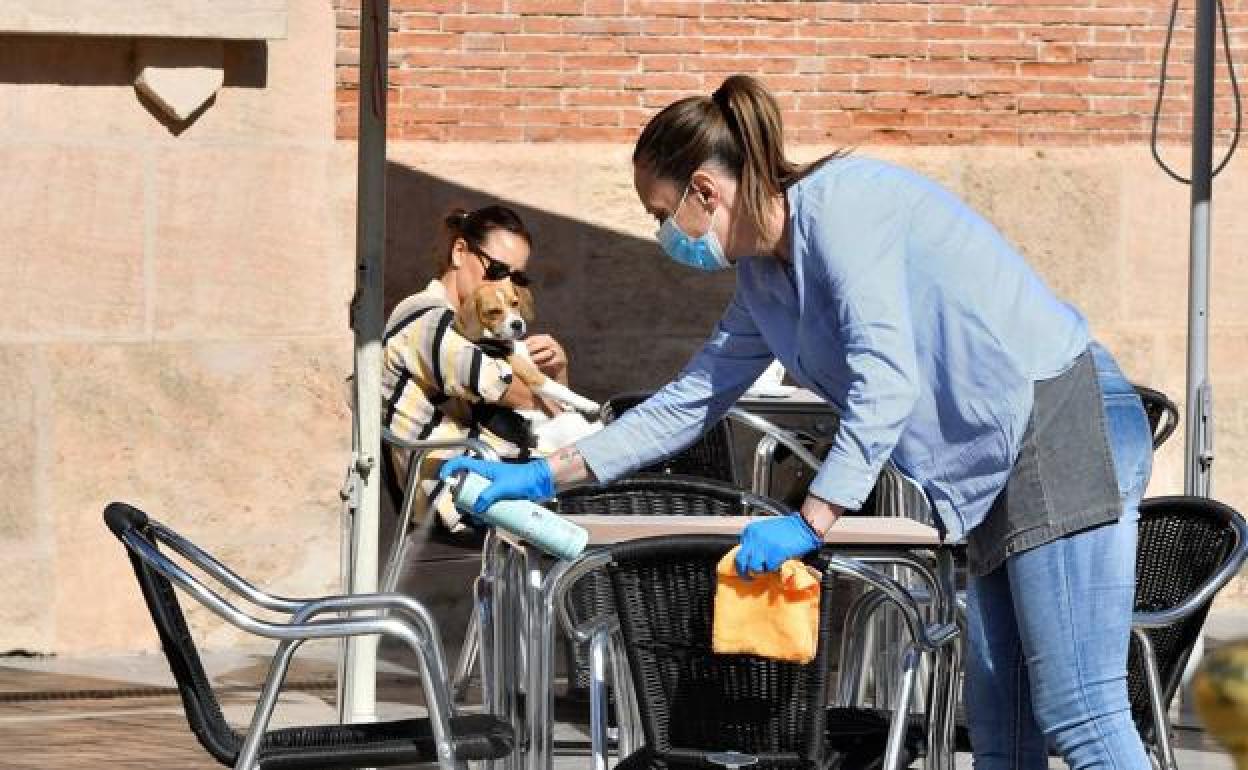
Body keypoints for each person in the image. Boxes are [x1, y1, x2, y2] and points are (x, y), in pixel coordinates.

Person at [442, 75, 1153, 768]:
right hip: (1002, 465)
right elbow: (688, 402)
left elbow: (887, 380)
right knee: (1004, 738)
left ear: (705, 192)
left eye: (660, 214)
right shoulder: (764, 281)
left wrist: (813, 519)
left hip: (1060, 420)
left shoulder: (843, 210)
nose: (663, 232)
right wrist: (538, 476)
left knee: (1081, 715)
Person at [382, 204, 570, 535]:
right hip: (458, 494)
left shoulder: (478, 332)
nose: (507, 286)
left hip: (492, 479)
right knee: (603, 489)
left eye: (517, 277)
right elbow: (503, 388)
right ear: (459, 252)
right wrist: (540, 383)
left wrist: (557, 371)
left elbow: (545, 411)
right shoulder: (426, 318)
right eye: (497, 270)